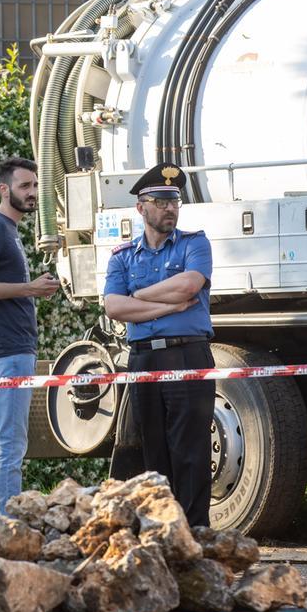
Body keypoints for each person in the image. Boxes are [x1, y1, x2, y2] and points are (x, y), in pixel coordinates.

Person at [102, 162, 215, 527]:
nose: (170, 209)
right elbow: (114, 306)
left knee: (190, 450)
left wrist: (139, 296)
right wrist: (167, 306)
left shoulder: (194, 243)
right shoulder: (123, 256)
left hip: (187, 353)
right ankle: (162, 530)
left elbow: (189, 286)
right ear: (141, 208)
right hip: (144, 359)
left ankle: (194, 531)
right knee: (153, 450)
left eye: (174, 201)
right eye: (161, 202)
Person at [0, 157, 59, 517]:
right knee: (9, 442)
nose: (32, 192)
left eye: (35, 185)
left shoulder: (7, 229)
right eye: (25, 186)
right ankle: (7, 523)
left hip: (6, 348)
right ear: (4, 189)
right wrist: (29, 289)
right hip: (6, 349)